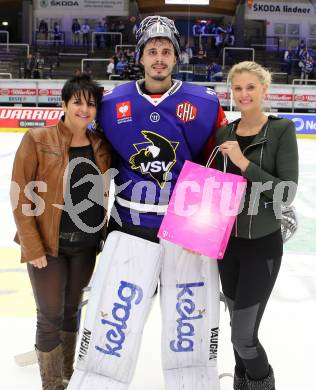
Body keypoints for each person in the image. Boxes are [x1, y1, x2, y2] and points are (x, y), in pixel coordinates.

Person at [68, 15, 227, 390]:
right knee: (113, 324)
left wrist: (210, 232)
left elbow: (217, 164)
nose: (159, 57)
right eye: (152, 50)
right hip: (129, 230)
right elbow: (85, 148)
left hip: (186, 235)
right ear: (139, 56)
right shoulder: (112, 103)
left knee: (190, 330)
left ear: (177, 57)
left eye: (166, 51)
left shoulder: (204, 103)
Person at [10, 73, 111, 389]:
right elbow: (21, 193)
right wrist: (32, 245)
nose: (84, 109)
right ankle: (52, 384)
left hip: (85, 246)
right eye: (77, 102)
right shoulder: (38, 139)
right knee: (50, 317)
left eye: (91, 103)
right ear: (64, 104)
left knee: (70, 313)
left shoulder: (101, 144)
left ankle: (67, 375)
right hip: (48, 247)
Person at [215, 61, 299, 390]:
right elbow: (213, 188)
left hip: (262, 246)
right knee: (238, 334)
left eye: (251, 87)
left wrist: (243, 163)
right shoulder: (224, 134)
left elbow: (285, 193)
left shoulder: (281, 130)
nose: (244, 94)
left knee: (244, 337)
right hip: (226, 246)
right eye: (238, 88)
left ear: (265, 89)